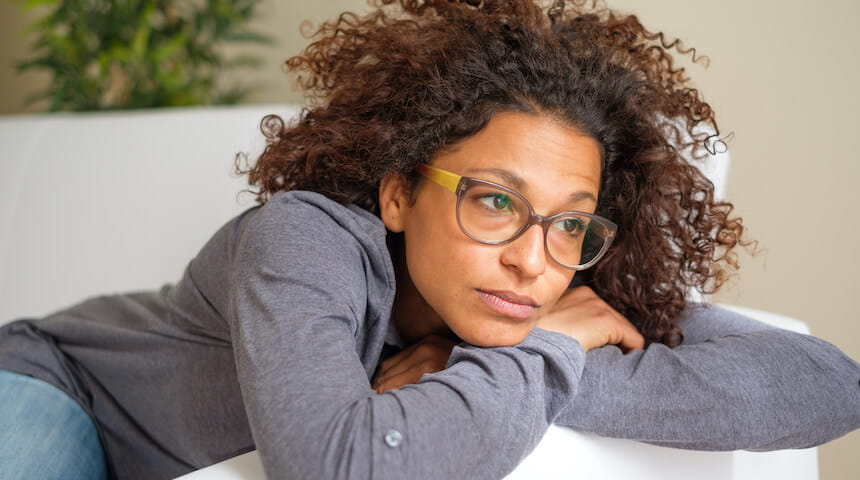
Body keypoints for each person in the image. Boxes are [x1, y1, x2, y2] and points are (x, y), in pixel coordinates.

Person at [1, 0, 858, 478]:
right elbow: (336, 468)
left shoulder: (560, 277)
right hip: (57, 387)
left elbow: (832, 385)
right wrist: (544, 352)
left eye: (569, 221)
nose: (532, 257)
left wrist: (508, 360)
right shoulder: (302, 239)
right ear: (400, 192)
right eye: (493, 202)